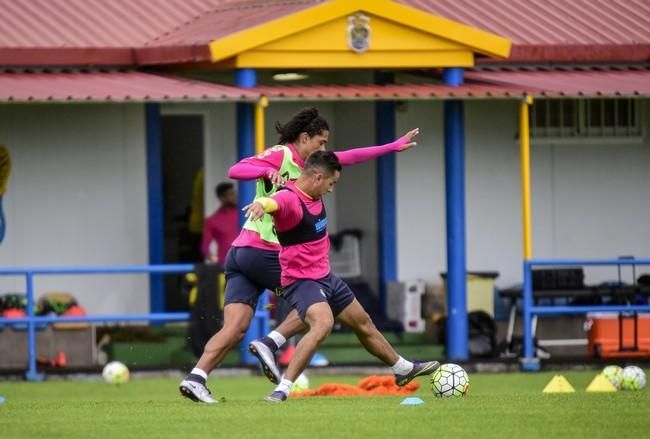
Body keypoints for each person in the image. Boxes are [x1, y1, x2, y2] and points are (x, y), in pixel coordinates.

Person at [179, 107, 419, 404]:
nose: (325, 149)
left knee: (236, 326)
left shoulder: (314, 165)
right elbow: (236, 170)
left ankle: (196, 377)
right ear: (304, 138)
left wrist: (393, 146)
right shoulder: (282, 154)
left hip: (241, 252)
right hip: (265, 250)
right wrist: (266, 170)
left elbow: (352, 156)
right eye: (321, 142)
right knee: (317, 297)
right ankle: (272, 343)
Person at [243, 151, 440, 402]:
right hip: (301, 280)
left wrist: (393, 145)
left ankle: (402, 368)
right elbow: (275, 202)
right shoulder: (290, 198)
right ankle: (283, 387)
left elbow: (350, 156)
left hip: (325, 276)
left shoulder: (312, 190)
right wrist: (262, 204)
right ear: (317, 177)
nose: (331, 190)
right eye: (331, 183)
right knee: (322, 324)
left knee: (363, 322)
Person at [200, 182, 239, 265]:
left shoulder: (245, 212)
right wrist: (211, 257)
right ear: (222, 198)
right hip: (227, 265)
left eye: (235, 193)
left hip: (249, 263)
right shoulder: (212, 220)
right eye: (231, 194)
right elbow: (205, 247)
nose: (235, 197)